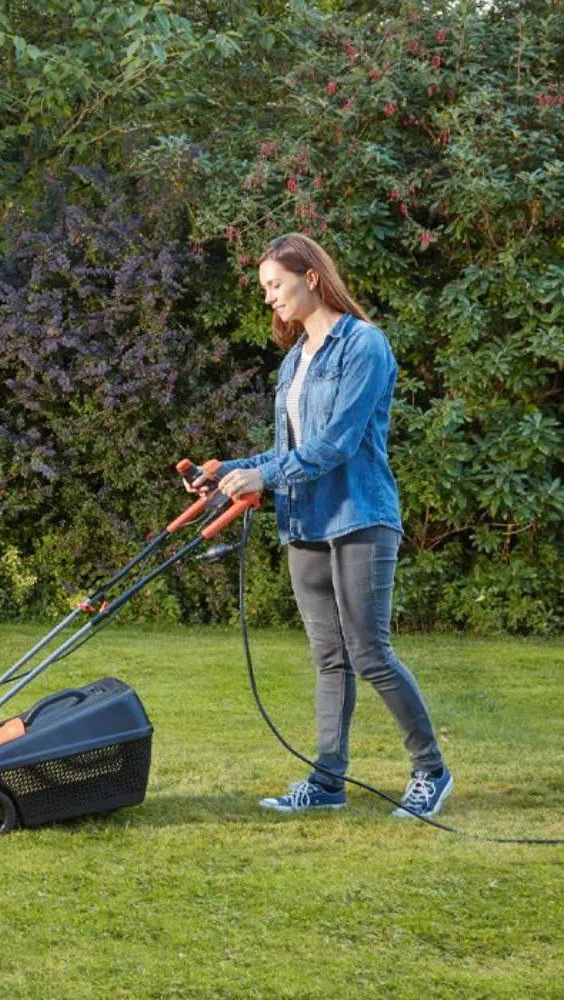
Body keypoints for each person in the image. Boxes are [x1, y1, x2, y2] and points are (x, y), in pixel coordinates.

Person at [200, 232, 453, 818]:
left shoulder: (364, 345)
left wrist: (264, 476)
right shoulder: (295, 360)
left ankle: (431, 771)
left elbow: (337, 442)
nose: (269, 297)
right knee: (329, 658)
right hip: (306, 520)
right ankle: (327, 781)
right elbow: (285, 450)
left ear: (310, 278)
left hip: (360, 514)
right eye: (264, 288)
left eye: (276, 284)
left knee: (369, 652)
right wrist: (226, 473)